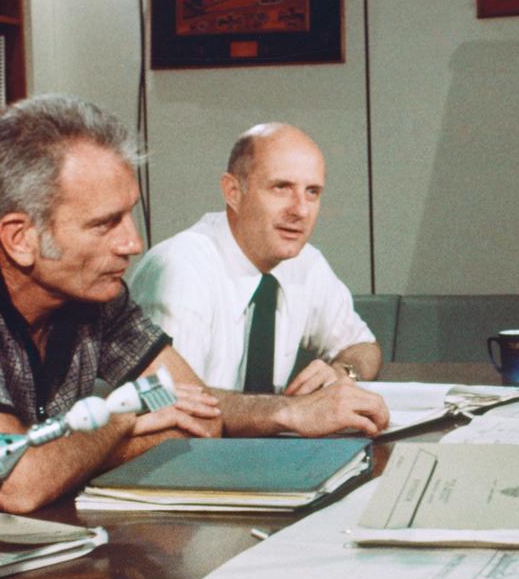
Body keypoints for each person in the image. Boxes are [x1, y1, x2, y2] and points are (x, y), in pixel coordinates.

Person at [0, 96, 387, 528]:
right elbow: (16, 480)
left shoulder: (94, 291)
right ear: (20, 237)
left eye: (129, 215)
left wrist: (114, 430)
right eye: (105, 223)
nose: (132, 244)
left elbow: (199, 413)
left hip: (20, 551)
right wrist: (122, 420)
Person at [129, 123, 382, 397]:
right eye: (281, 187)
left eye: (312, 192)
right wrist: (288, 413)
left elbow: (364, 347)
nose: (300, 210)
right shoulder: (182, 269)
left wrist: (343, 373)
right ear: (233, 192)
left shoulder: (305, 264)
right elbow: (170, 402)